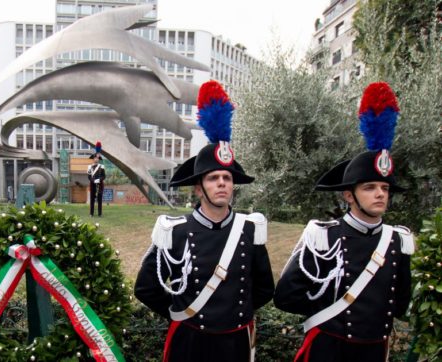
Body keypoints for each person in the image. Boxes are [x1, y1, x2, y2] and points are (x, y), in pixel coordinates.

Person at [274, 82, 414, 362]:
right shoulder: (324, 237)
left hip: (374, 350)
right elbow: (287, 296)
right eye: (370, 187)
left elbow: (399, 303)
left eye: (385, 189)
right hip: (329, 348)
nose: (379, 194)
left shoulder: (397, 240)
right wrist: (337, 313)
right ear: (349, 195)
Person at [135, 80, 274, 362]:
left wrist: (234, 314)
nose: (222, 183)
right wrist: (185, 312)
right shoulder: (175, 231)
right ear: (199, 188)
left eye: (227, 178)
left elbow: (264, 288)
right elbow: (146, 288)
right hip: (190, 340)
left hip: (235, 340)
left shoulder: (249, 230)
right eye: (213, 178)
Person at [87, 141, 106, 217]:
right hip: (92, 185)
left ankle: (100, 213)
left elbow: (104, 176)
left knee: (99, 200)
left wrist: (99, 180)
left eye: (98, 158)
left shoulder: (102, 167)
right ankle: (91, 213)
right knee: (92, 199)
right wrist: (93, 180)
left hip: (100, 185)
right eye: (95, 158)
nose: (96, 159)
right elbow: (89, 176)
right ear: (93, 158)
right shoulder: (89, 167)